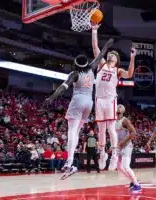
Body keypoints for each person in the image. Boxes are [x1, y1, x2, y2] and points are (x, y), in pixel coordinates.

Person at [46, 38, 114, 179]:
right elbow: (101, 55)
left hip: (78, 100)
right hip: (89, 103)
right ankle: (70, 163)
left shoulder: (75, 74)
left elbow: (63, 87)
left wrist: (52, 98)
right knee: (76, 132)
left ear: (76, 64)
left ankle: (69, 162)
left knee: (72, 131)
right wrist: (107, 44)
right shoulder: (92, 67)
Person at [92, 24, 137, 171]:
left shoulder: (118, 70)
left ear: (117, 60)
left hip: (110, 100)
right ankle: (103, 154)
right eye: (109, 54)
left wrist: (132, 58)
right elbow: (95, 49)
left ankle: (114, 155)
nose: (111, 55)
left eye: (114, 55)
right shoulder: (102, 64)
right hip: (99, 99)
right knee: (101, 129)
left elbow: (129, 74)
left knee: (111, 128)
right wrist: (94, 30)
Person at [116, 104, 141, 193]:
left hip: (127, 146)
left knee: (126, 166)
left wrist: (123, 141)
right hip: (119, 146)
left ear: (122, 111)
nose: (117, 113)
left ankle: (137, 186)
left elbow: (134, 132)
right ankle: (133, 180)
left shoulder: (125, 120)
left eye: (119, 112)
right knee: (118, 167)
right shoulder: (114, 120)